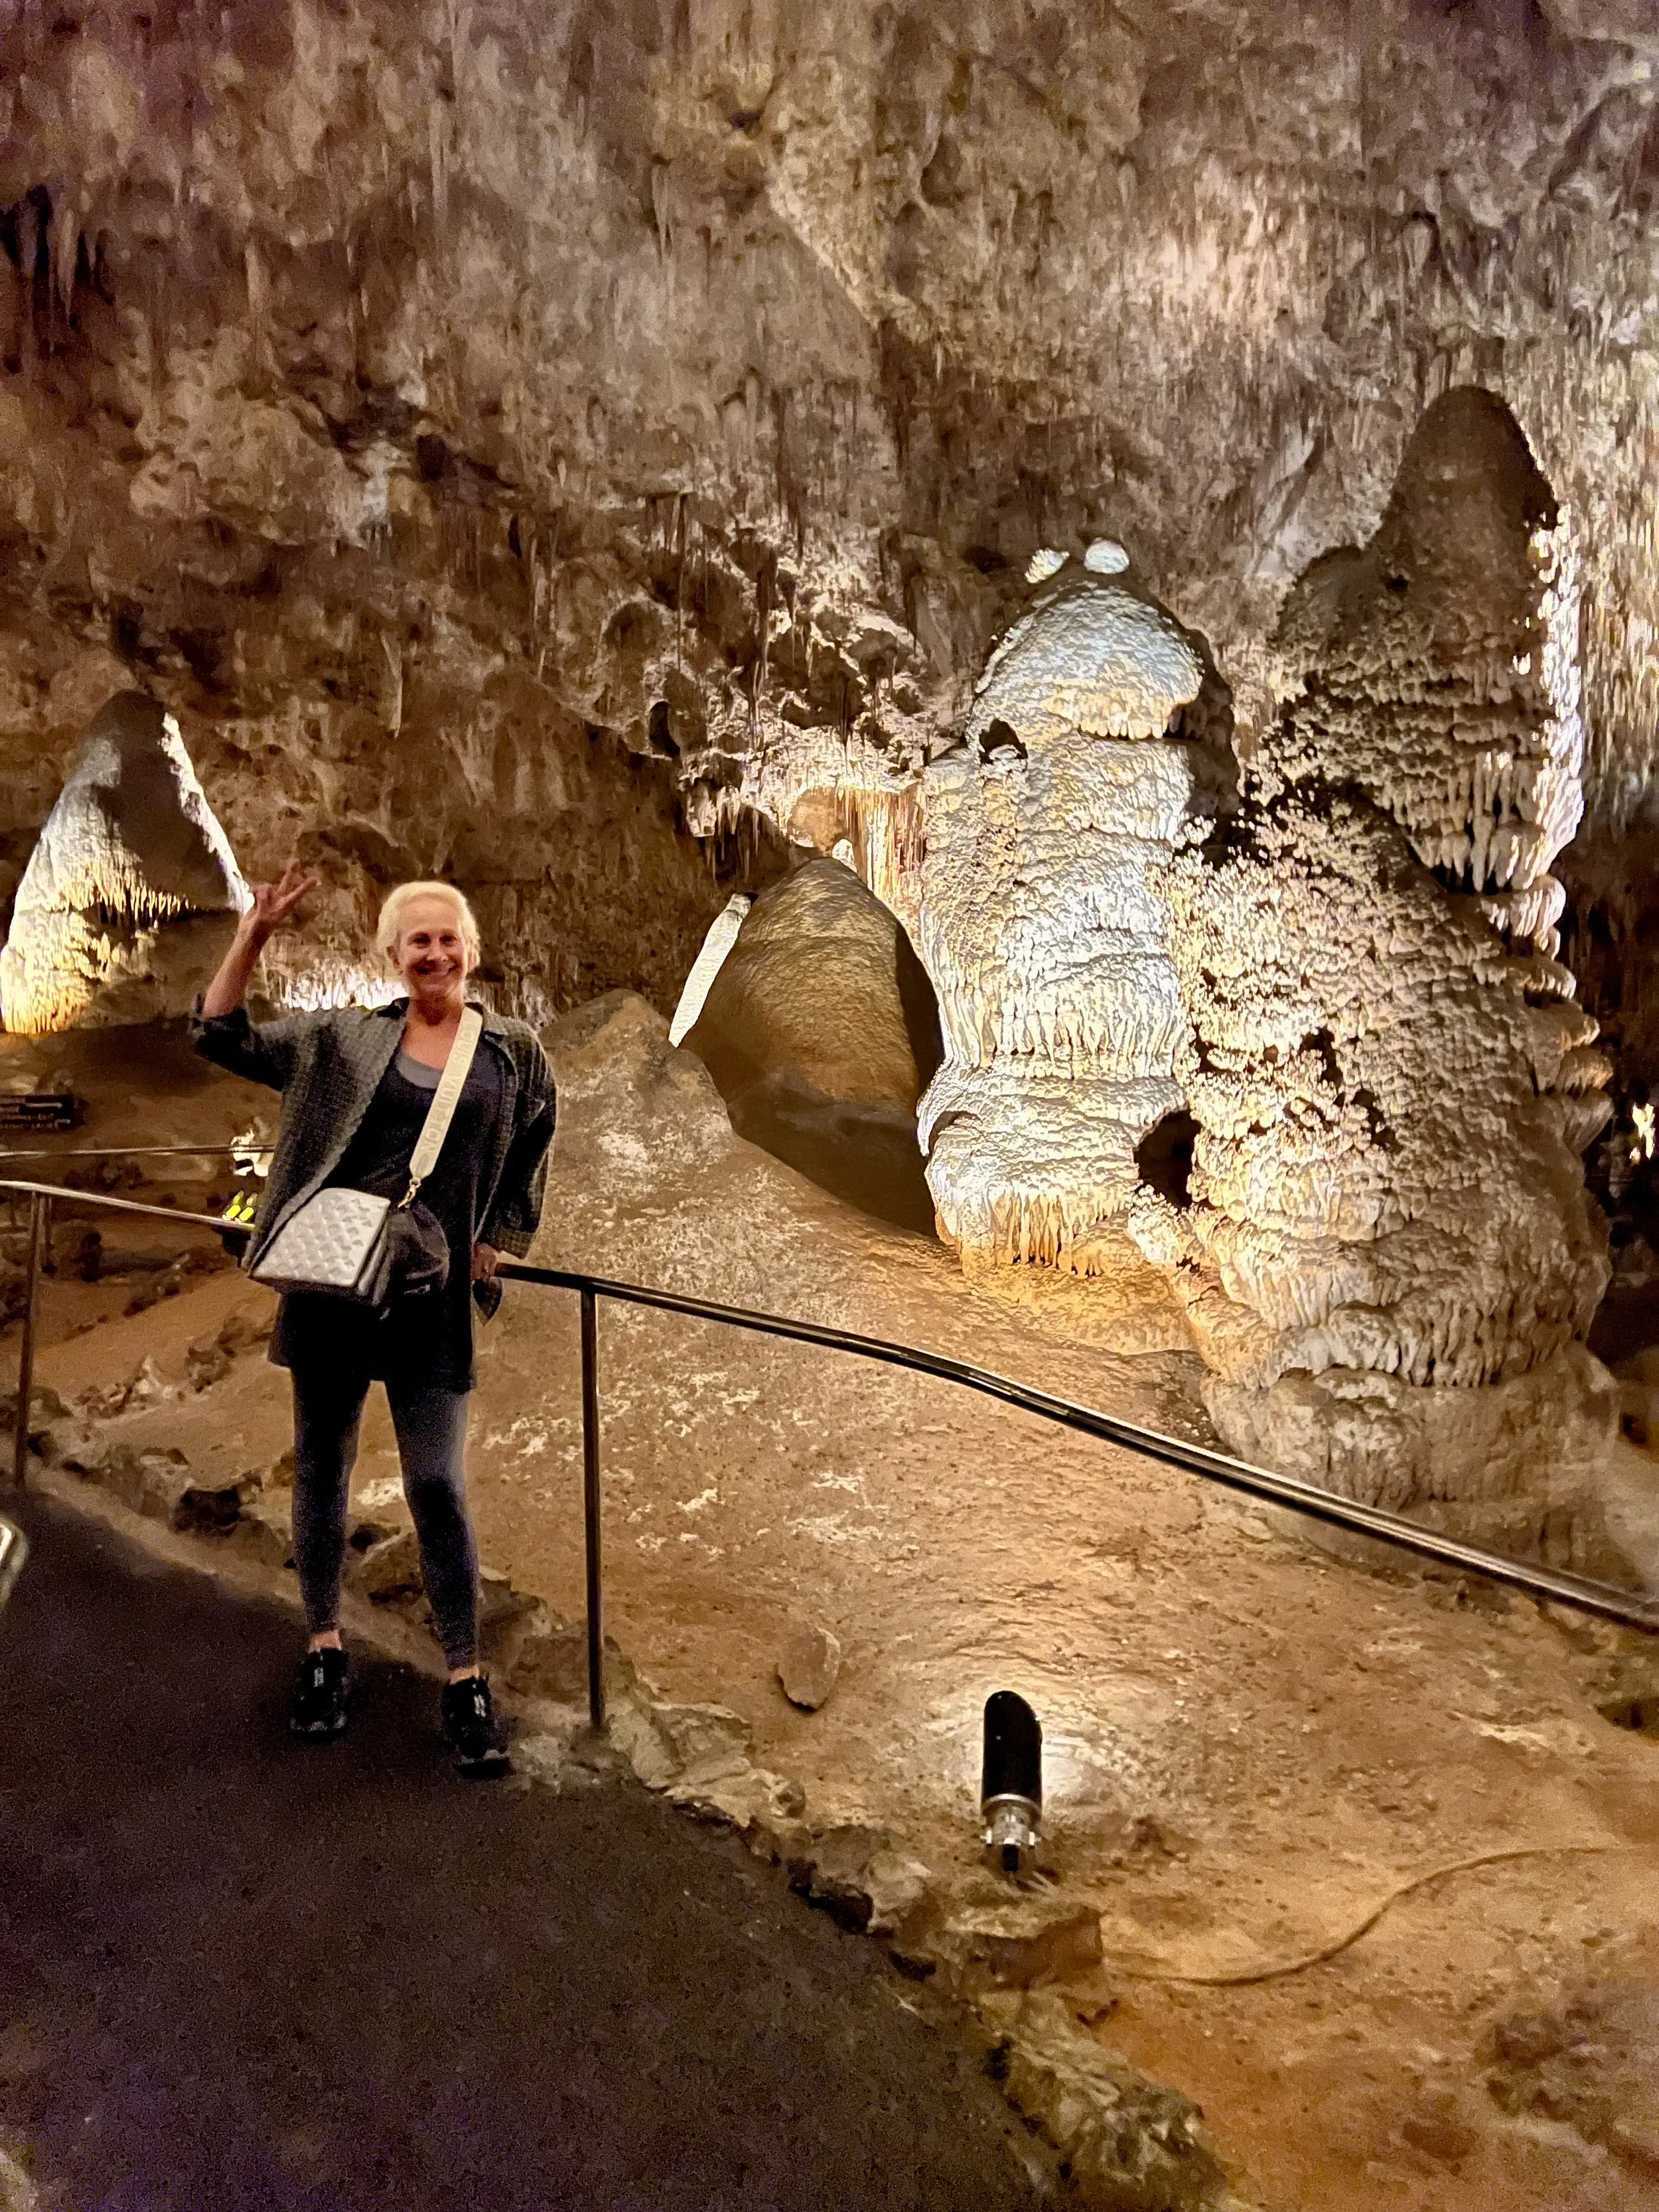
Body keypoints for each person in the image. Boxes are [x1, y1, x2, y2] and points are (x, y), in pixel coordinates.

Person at [194, 865, 555, 1776]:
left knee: (437, 1484)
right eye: (417, 941)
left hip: (432, 1300)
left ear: (470, 951)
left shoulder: (512, 1052)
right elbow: (222, 1037)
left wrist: (500, 1236)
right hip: (336, 1285)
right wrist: (252, 934)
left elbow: (537, 1135)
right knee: (323, 1465)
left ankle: (465, 1677)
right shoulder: (347, 1037)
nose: (434, 953)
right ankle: (324, 1647)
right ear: (393, 956)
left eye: (447, 938)